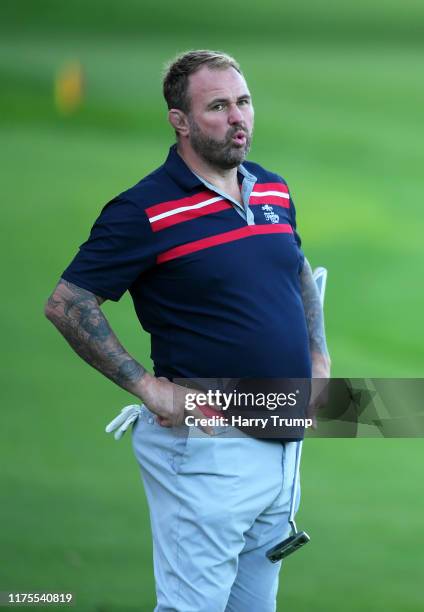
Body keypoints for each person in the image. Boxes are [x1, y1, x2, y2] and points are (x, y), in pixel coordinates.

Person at [45, 50, 330, 612]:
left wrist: (317, 358)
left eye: (243, 102)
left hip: (281, 445)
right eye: (218, 106)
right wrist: (148, 388)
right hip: (206, 448)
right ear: (179, 119)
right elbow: (68, 302)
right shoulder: (143, 210)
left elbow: (297, 269)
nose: (237, 118)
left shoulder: (272, 190)